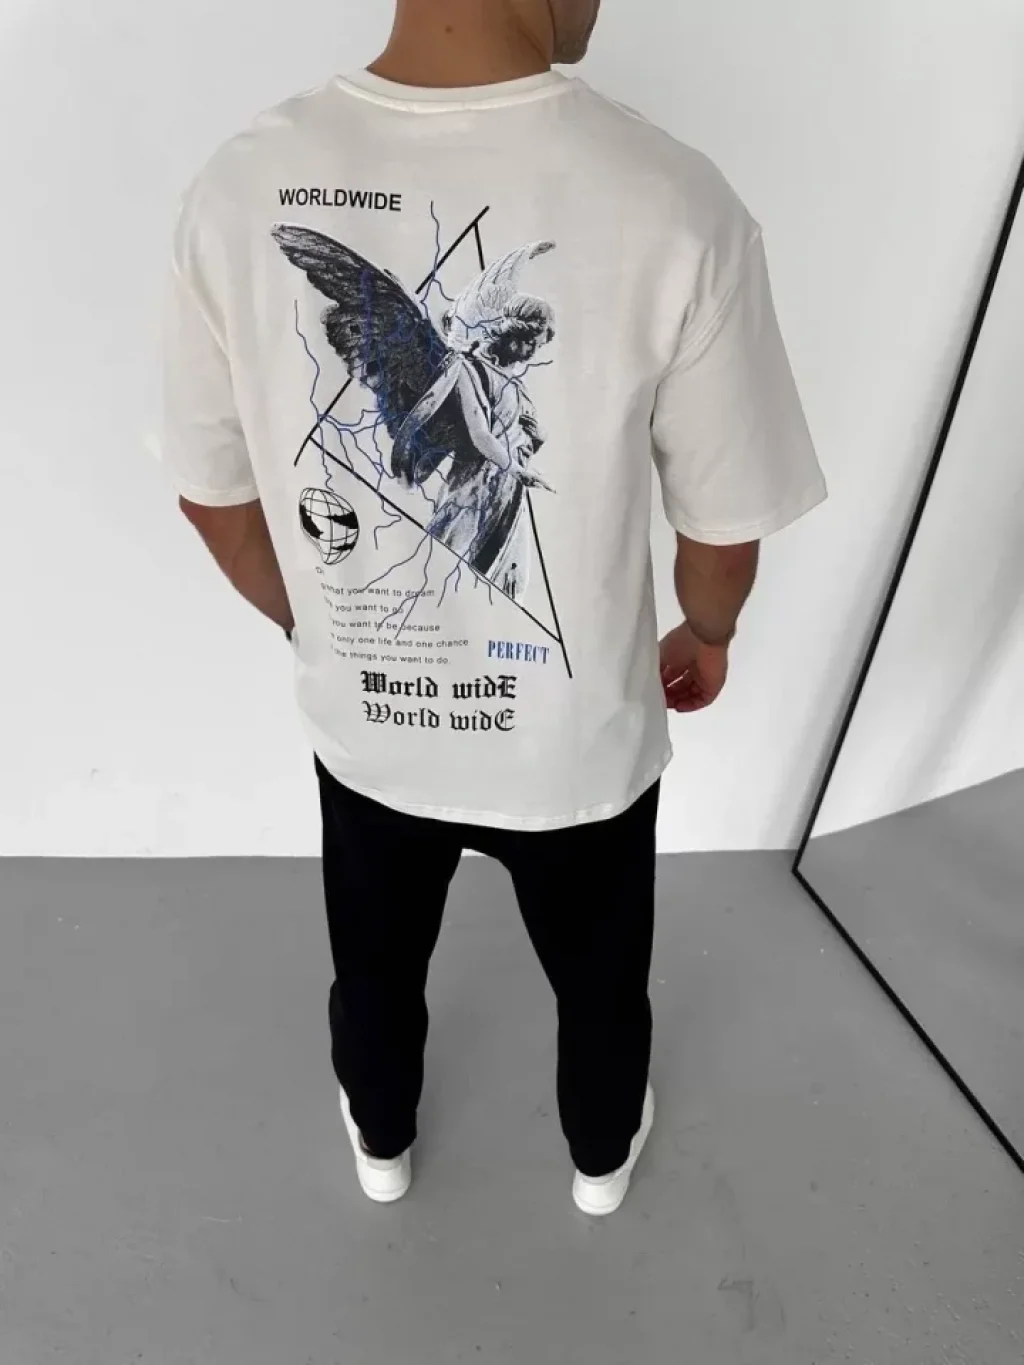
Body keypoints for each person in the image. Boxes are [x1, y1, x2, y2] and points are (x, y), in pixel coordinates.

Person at [158, 0, 827, 1217]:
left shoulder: (238, 183)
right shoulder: (675, 199)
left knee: (374, 971)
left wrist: (315, 627)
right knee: (599, 982)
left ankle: (381, 1138)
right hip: (575, 746)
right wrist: (708, 632)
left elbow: (213, 499)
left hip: (371, 732)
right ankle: (599, 1156)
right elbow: (722, 527)